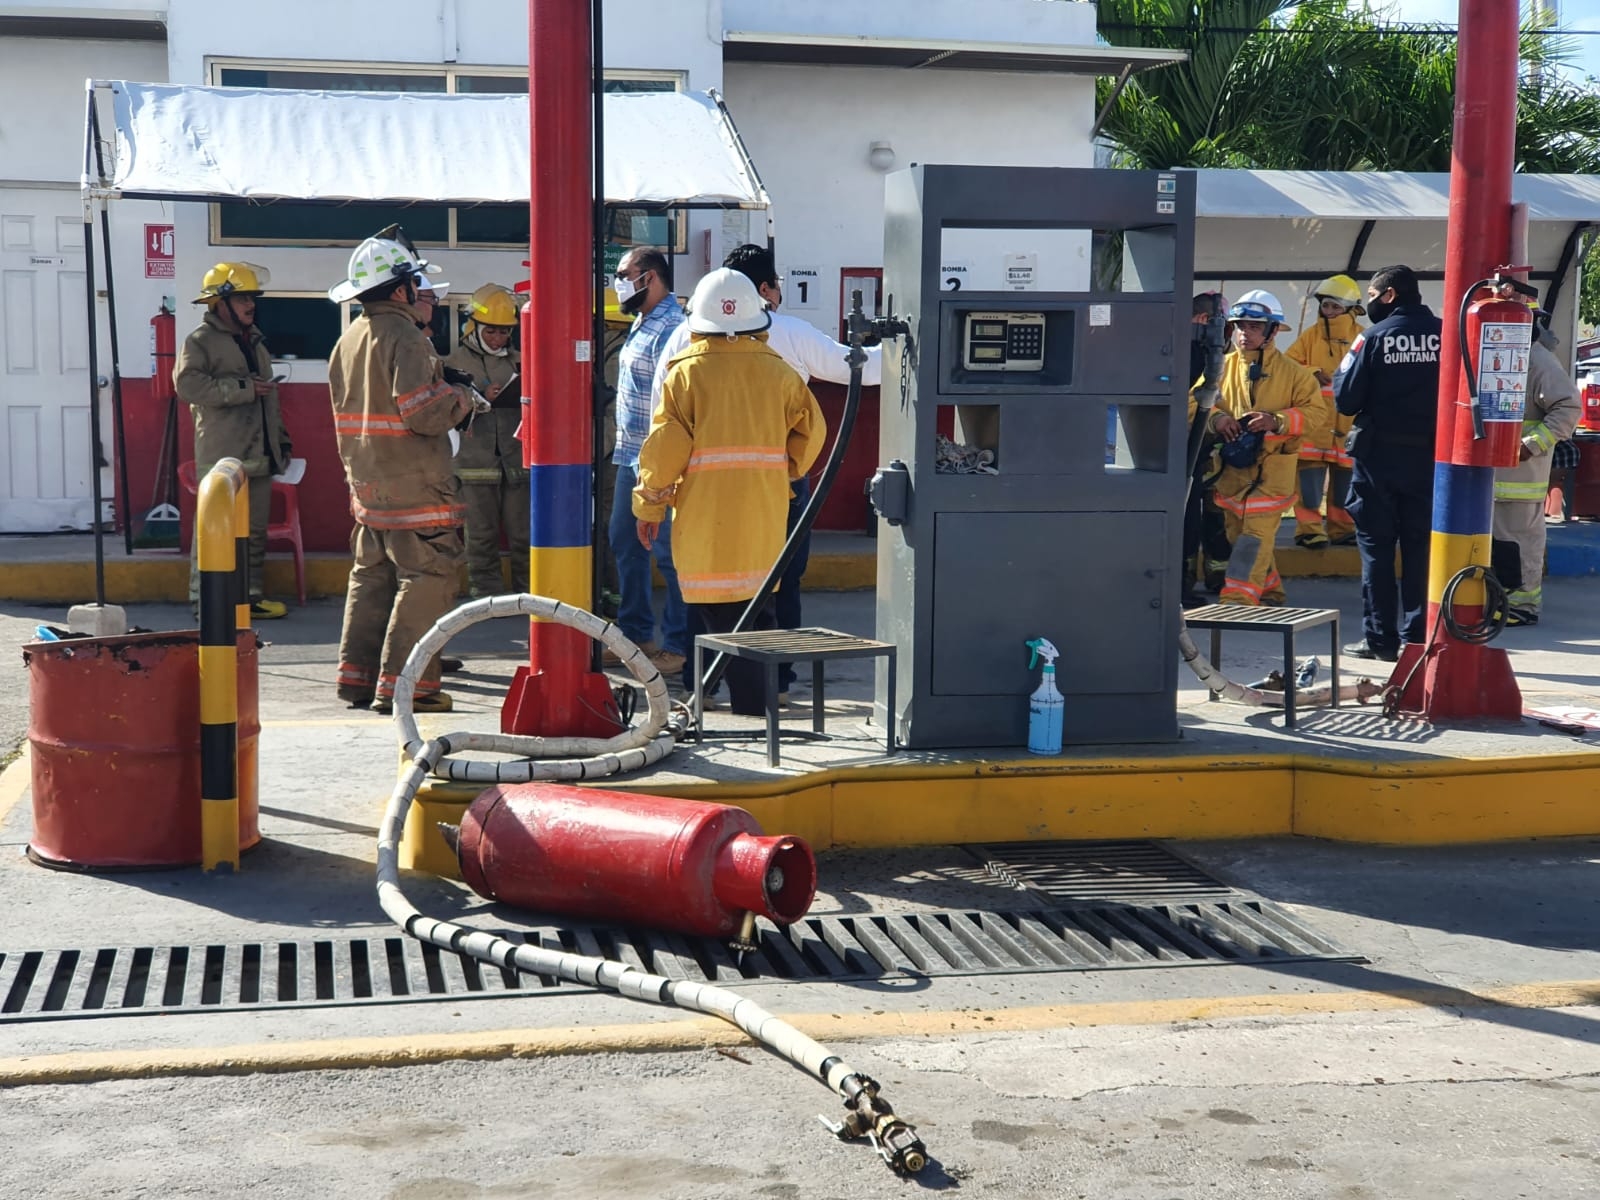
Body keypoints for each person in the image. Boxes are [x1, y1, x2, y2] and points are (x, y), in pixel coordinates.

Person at [653, 243, 882, 701]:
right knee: (777, 585)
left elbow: (661, 430)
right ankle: (772, 683)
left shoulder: (683, 344)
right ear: (763, 292)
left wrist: (651, 496)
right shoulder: (789, 340)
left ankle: (702, 683)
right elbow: (855, 378)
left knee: (701, 585)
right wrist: (788, 470)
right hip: (775, 492)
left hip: (699, 496)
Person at [633, 269, 825, 716]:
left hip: (705, 520)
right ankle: (758, 713)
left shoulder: (685, 374)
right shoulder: (780, 372)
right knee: (759, 612)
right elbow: (811, 434)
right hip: (765, 513)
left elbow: (664, 449)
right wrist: (785, 470)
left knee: (713, 617)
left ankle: (706, 702)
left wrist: (648, 506)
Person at [326, 225, 480, 714]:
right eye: (415, 283)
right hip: (418, 488)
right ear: (400, 288)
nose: (421, 293)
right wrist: (462, 398)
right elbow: (423, 413)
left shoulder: (348, 339)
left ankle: (357, 678)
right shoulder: (408, 339)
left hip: (368, 487)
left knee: (370, 579)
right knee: (429, 578)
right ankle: (407, 688)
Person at [1331, 264, 1442, 661]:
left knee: (1377, 551)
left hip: (1379, 462)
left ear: (1390, 295)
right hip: (1431, 463)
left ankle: (1380, 640)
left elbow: (1345, 400)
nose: (1371, 304)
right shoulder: (1449, 335)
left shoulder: (1372, 338)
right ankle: (1417, 637)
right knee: (1421, 549)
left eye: (1374, 297)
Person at [174, 261, 292, 620]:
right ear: (219, 302)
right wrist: (242, 389)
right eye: (242, 297)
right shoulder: (200, 341)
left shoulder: (254, 340)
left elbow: (268, 399)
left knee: (253, 533)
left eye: (252, 297)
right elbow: (187, 386)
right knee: (213, 530)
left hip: (259, 454)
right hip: (223, 455)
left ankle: (248, 596)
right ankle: (204, 600)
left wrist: (281, 441)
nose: (250, 304)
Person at [1205, 290, 1327, 607]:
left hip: (1273, 474)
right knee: (1238, 536)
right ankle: (1270, 591)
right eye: (1241, 326)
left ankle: (1237, 602)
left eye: (1255, 327)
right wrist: (1218, 419)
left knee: (1254, 538)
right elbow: (1194, 402)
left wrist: (1276, 421)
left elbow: (1316, 414)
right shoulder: (1220, 368)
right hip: (1232, 471)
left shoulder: (1296, 375)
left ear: (1272, 331)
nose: (1245, 333)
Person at [608, 247, 690, 676]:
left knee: (668, 553)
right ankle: (636, 633)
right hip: (630, 455)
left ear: (651, 277)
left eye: (625, 274)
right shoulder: (642, 323)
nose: (618, 281)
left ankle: (677, 644)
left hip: (659, 459)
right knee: (625, 540)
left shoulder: (674, 328)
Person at [1491, 309, 1580, 626]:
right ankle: (1500, 601)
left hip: (1520, 477)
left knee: (1520, 544)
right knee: (1501, 546)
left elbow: (1568, 408)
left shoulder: (1538, 360)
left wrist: (1531, 444)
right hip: (1493, 477)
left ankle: (1522, 606)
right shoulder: (1500, 354)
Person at [447, 284, 528, 598]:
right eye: (492, 331)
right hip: (475, 464)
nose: (499, 338)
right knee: (481, 534)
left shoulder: (522, 360)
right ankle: (485, 595)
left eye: (505, 332)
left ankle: (528, 593)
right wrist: (479, 397)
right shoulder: (453, 362)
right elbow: (445, 413)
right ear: (475, 327)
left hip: (516, 461)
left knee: (524, 534)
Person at [1287, 275, 1365, 549]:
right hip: (1315, 425)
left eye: (1334, 306)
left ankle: (1341, 529)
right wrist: (1312, 372)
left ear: (1350, 307)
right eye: (1325, 306)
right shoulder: (1310, 335)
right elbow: (1290, 366)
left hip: (1348, 423)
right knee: (1309, 485)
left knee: (1345, 484)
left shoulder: (1362, 336)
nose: (1328, 311)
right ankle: (1309, 530)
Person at [1181, 290, 1230, 607]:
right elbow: (1194, 400)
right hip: (1182, 452)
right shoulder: (1194, 354)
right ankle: (1178, 592)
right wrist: (1218, 420)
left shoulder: (1187, 349)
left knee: (1193, 522)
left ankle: (1181, 590)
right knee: (1185, 523)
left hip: (1194, 454)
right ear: (1203, 321)